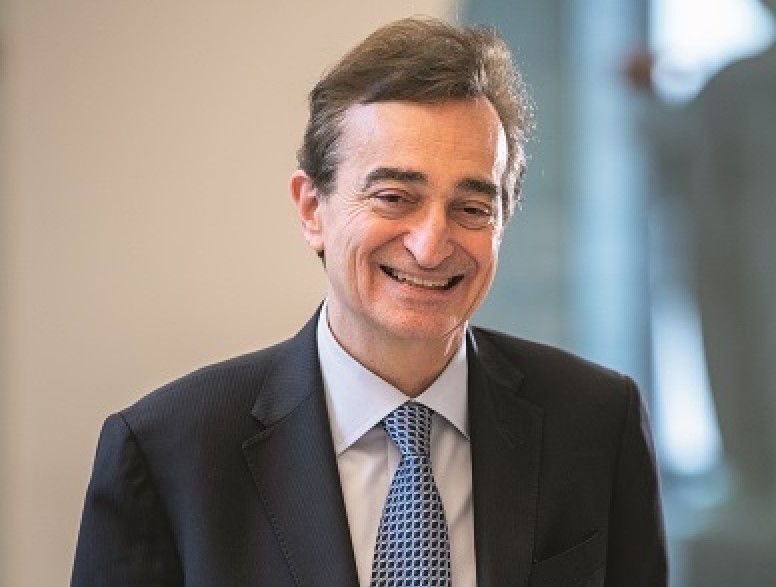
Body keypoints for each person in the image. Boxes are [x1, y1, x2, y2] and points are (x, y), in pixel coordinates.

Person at [71, 17, 667, 587]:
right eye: (393, 197)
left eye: (471, 208)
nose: (431, 246)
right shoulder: (167, 451)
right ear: (312, 209)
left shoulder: (596, 424)